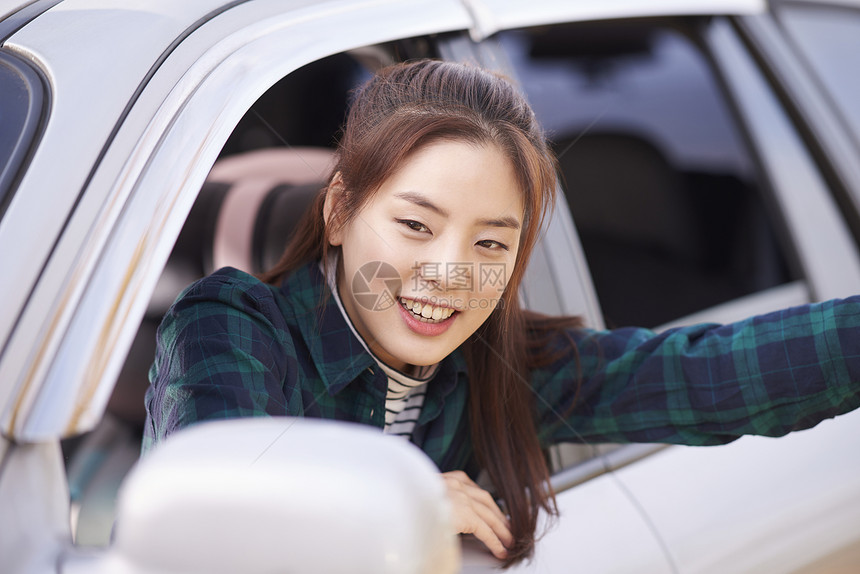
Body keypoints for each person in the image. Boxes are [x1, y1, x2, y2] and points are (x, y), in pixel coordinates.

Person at [144, 59, 860, 566]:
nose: (450, 273)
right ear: (339, 211)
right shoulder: (231, 322)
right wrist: (401, 496)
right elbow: (218, 514)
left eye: (490, 242)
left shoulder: (496, 369)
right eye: (416, 226)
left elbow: (706, 375)